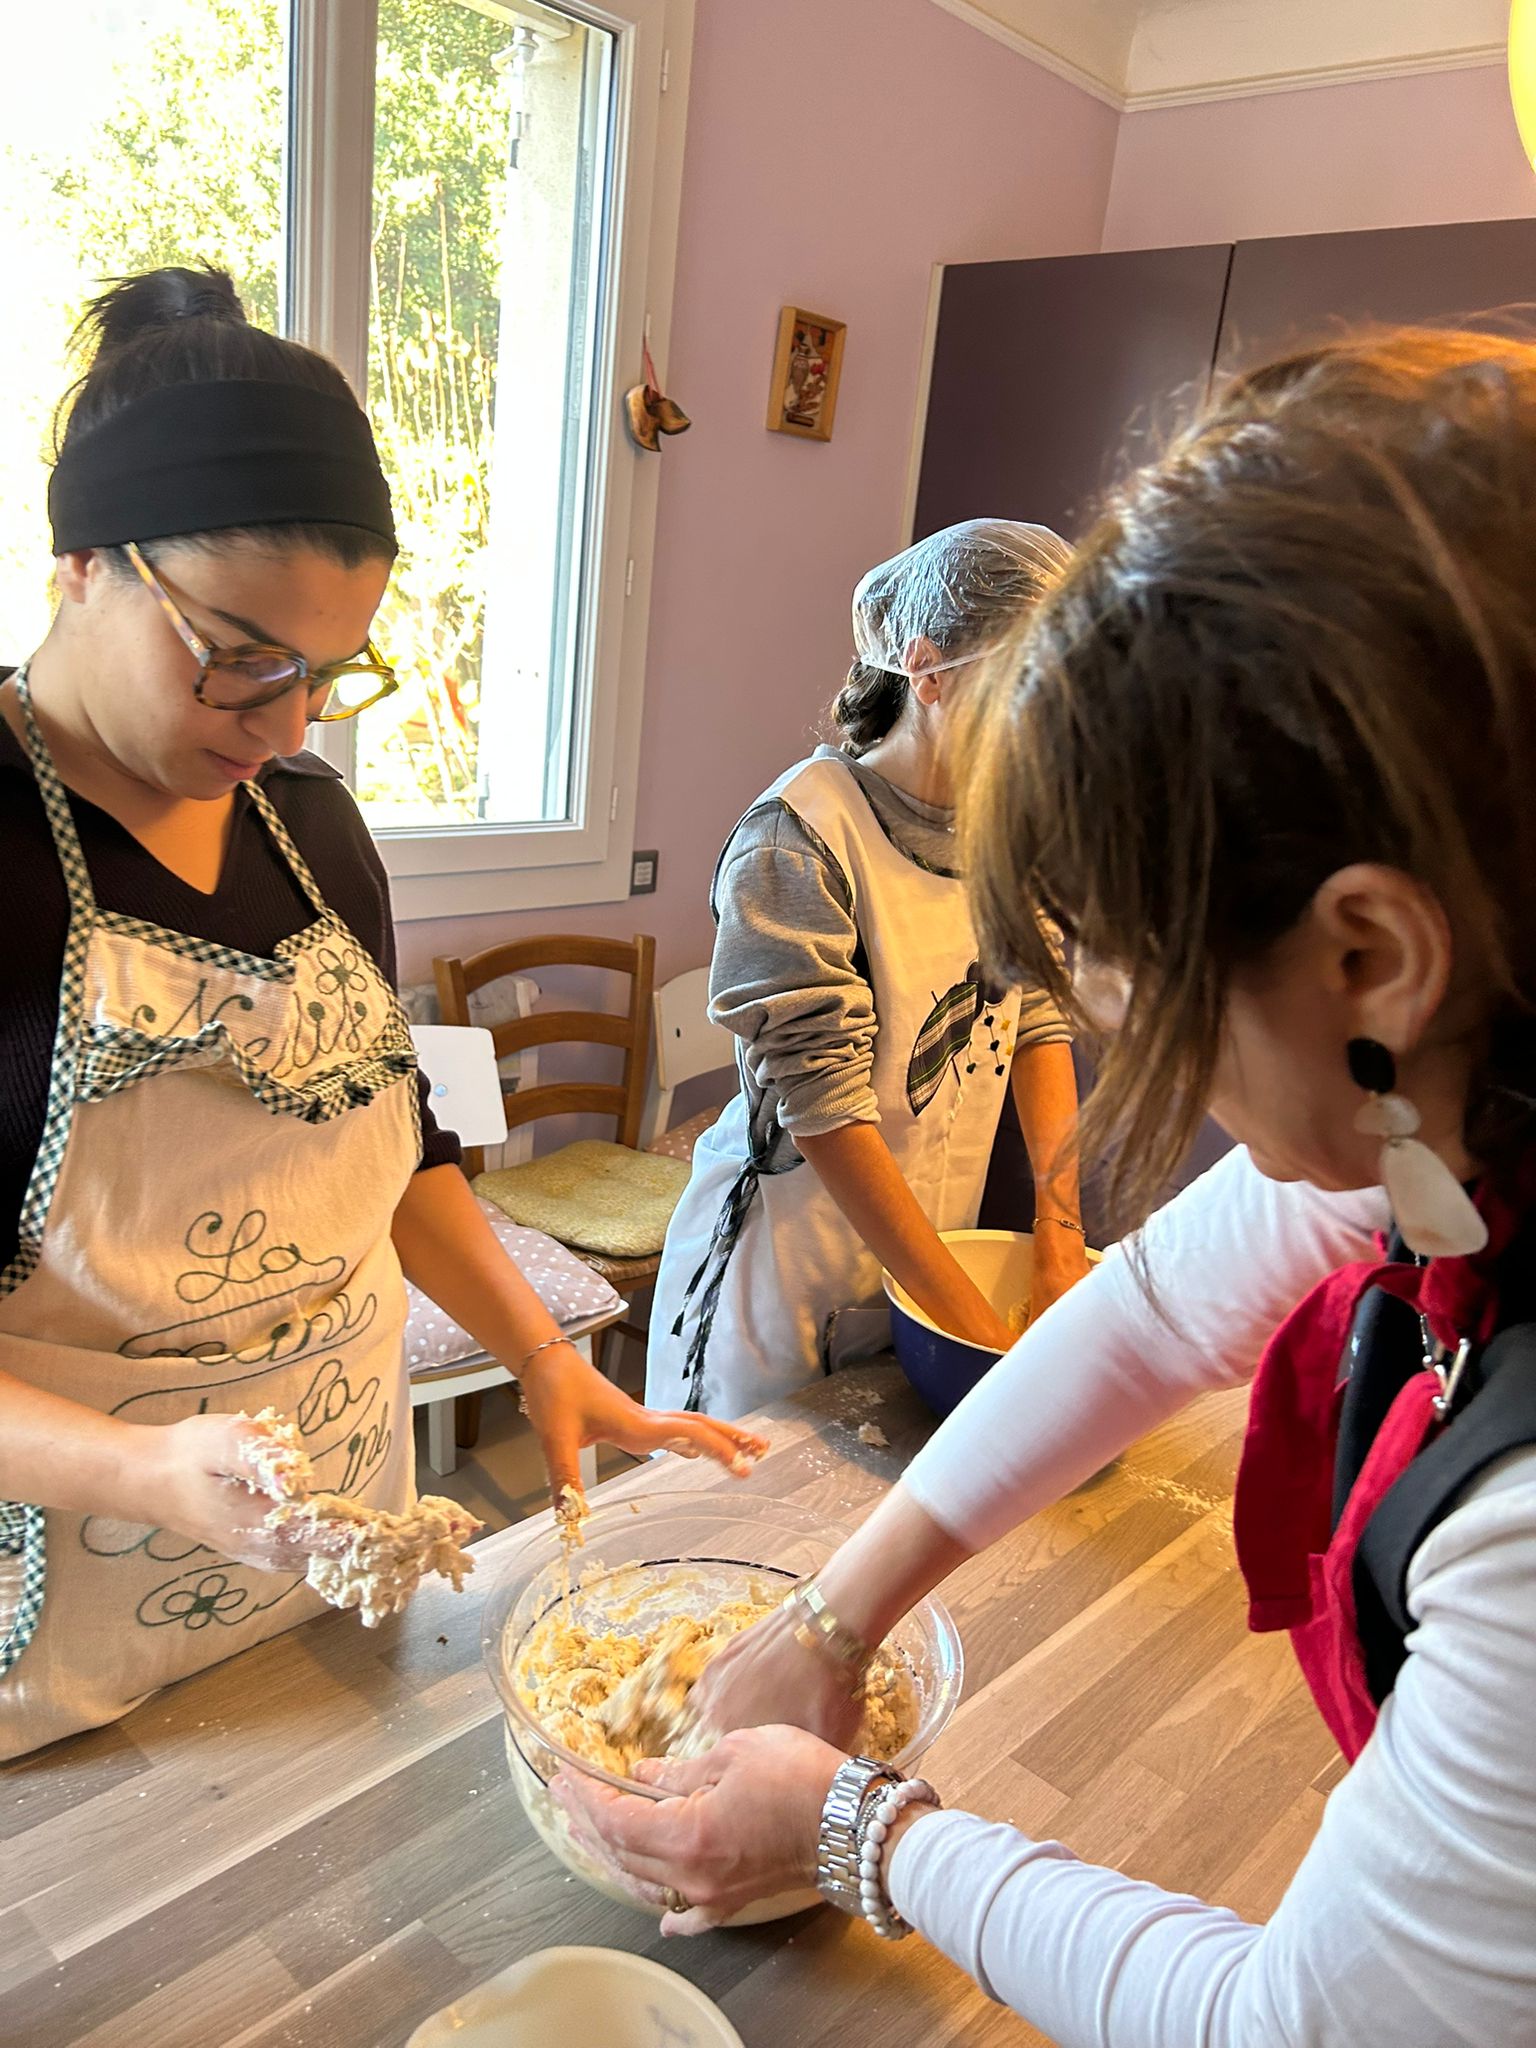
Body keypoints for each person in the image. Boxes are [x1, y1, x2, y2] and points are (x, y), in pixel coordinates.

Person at [560, 328, 1536, 2044]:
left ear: (1372, 956)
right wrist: (829, 1609)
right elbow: (1163, 1299)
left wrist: (852, 1824)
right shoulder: (1461, 1120)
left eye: (1139, 974)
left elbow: (1295, 2024)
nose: (1120, 1022)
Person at [0, 267, 762, 1763]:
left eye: (329, 676)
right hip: (59, 1629)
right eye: (239, 659)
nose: (286, 727)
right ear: (82, 560)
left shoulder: (312, 824)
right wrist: (153, 1477)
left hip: (333, 1572)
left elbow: (402, 1161)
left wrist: (544, 1356)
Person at [646, 519, 1090, 1420]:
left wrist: (1059, 1236)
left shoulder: (1008, 830)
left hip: (930, 1246)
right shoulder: (800, 838)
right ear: (927, 671)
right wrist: (964, 1317)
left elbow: (1036, 1021)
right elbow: (826, 1105)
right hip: (787, 1262)